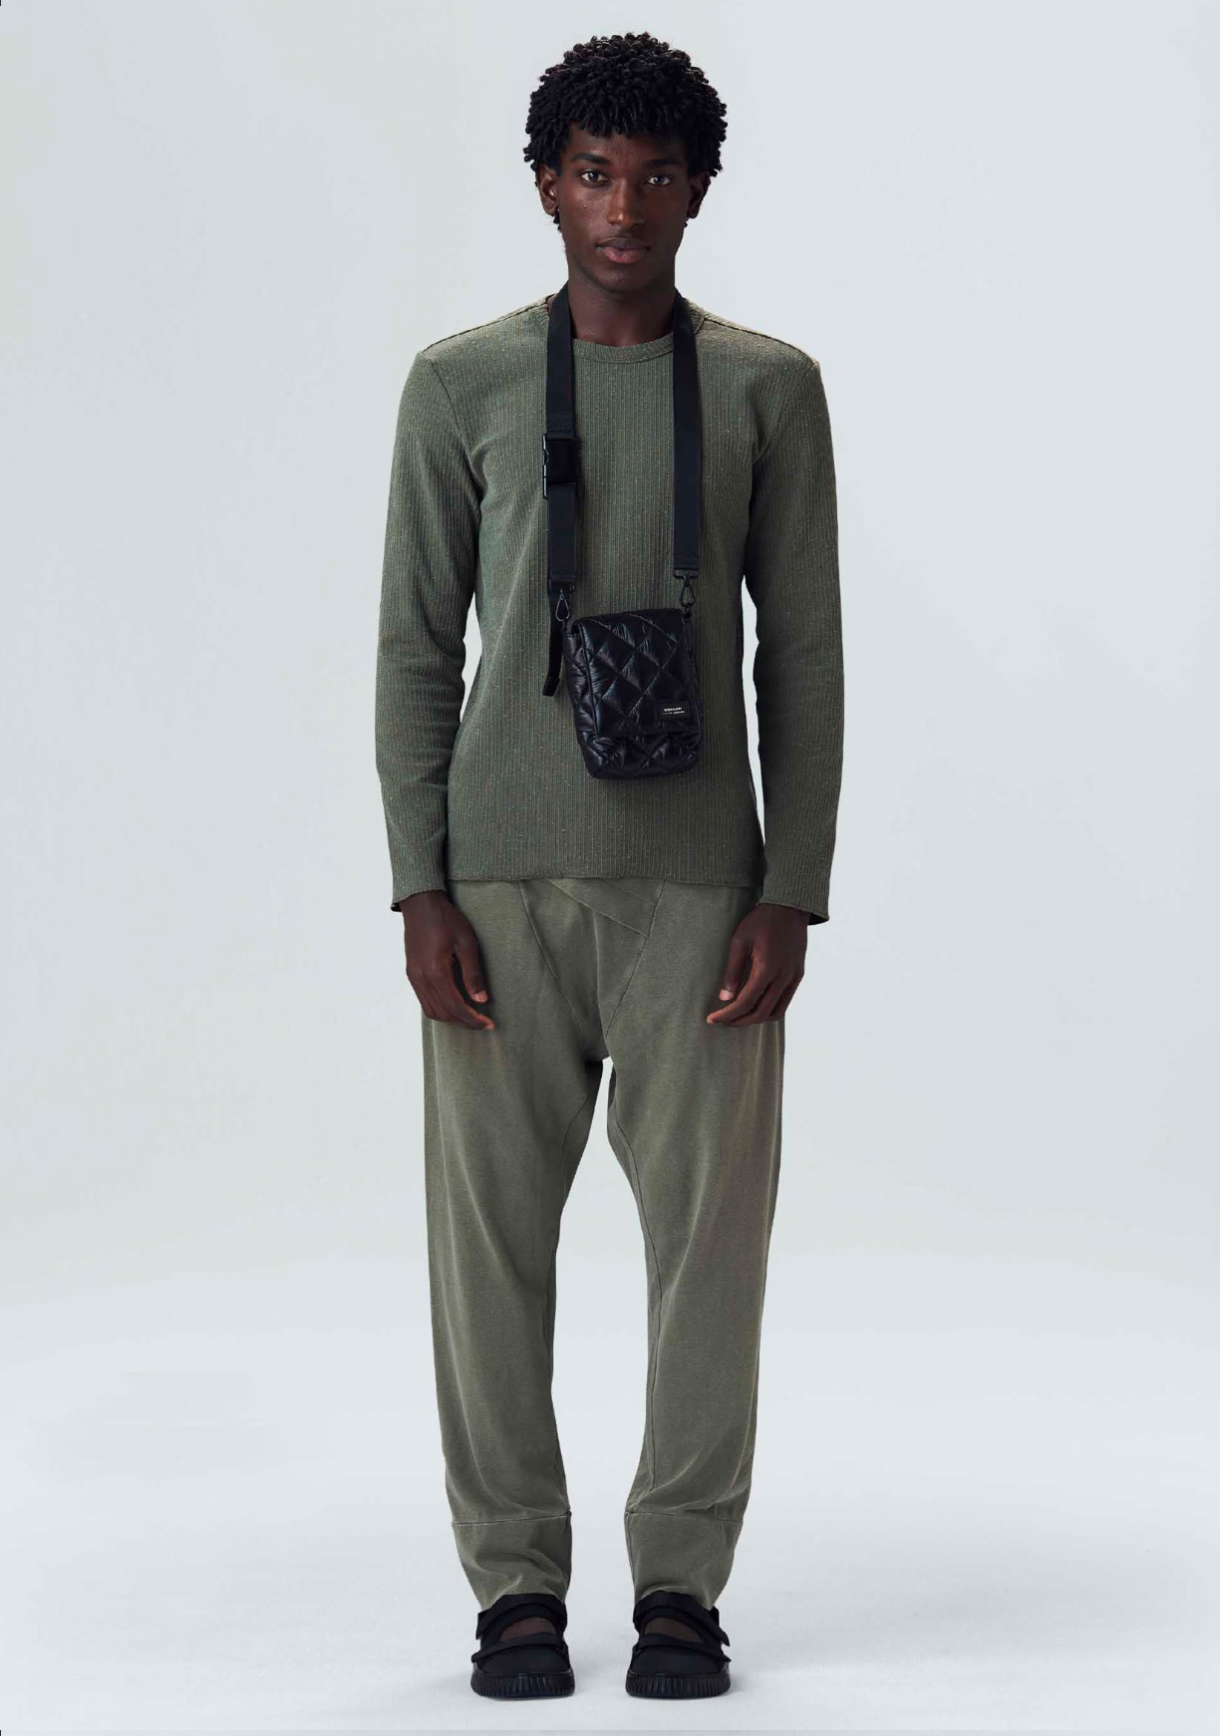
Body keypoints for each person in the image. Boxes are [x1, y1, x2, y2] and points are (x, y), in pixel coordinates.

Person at [374, 28, 843, 1701]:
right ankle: (514, 1582)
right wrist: (419, 883)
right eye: (593, 173)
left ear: (699, 190)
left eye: (654, 176)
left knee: (708, 1261)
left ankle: (679, 1589)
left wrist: (791, 886)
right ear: (545, 186)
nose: (623, 207)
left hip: (704, 894)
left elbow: (804, 653)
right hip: (498, 884)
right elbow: (417, 646)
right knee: (486, 1257)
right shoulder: (462, 385)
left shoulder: (770, 388)